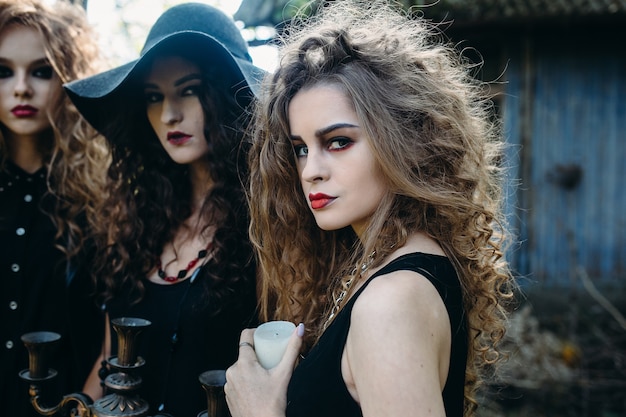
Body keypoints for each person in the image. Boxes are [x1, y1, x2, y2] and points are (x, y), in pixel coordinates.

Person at [224, 1, 518, 416]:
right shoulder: (382, 263)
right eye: (300, 149)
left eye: (338, 142)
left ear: (401, 140)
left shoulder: (391, 301)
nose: (310, 171)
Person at [64, 3, 264, 416]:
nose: (169, 114)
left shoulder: (267, 229)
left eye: (189, 89)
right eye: (154, 97)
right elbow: (107, 366)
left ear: (229, 93)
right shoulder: (135, 223)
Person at [0, 0, 109, 416]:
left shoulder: (101, 195)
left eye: (41, 71)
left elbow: (110, 336)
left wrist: (83, 408)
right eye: (3, 71)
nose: (21, 87)